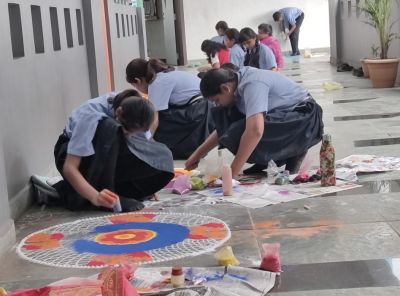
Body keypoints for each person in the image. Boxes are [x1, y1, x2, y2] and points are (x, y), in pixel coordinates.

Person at [185, 65, 323, 177]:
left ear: (225, 88)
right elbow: (222, 129)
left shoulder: (252, 84)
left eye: (216, 100)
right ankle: (265, 160)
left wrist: (231, 174)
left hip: (305, 119)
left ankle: (296, 150)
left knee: (243, 130)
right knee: (225, 116)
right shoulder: (237, 82)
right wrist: (197, 154)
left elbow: (255, 131)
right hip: (286, 115)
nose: (217, 104)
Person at [50, 90, 174, 212]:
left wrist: (149, 184)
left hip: (106, 153)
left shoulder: (138, 108)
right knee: (110, 129)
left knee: (162, 156)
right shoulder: (90, 116)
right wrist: (95, 197)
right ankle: (78, 191)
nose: (130, 136)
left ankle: (110, 191)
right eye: (128, 133)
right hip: (71, 156)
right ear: (119, 113)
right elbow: (69, 167)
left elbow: (146, 148)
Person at [126, 58, 215, 159]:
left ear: (138, 81)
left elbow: (154, 120)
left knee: (154, 117)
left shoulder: (157, 82)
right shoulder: (165, 74)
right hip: (206, 108)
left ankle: (159, 149)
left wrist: (146, 143)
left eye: (134, 86)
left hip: (199, 112)